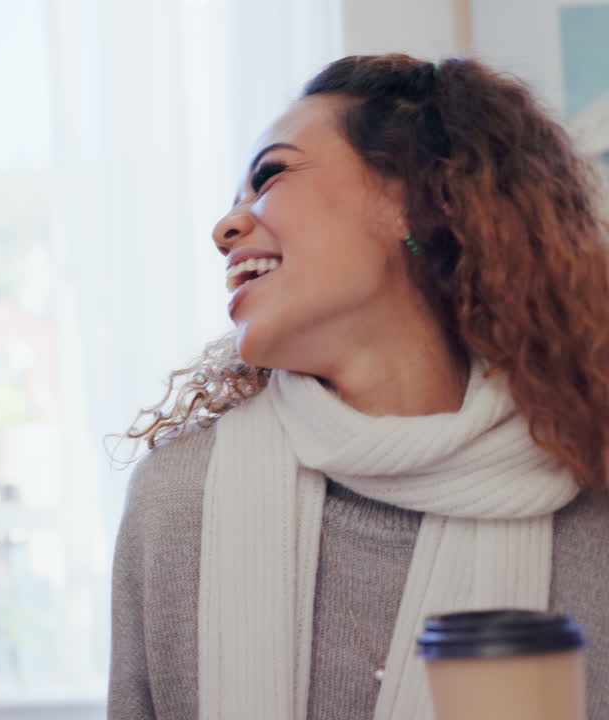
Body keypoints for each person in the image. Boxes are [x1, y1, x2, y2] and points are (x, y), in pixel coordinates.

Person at [109, 54, 609, 719]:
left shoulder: (592, 506)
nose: (224, 229)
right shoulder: (177, 503)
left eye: (270, 175)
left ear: (420, 198)